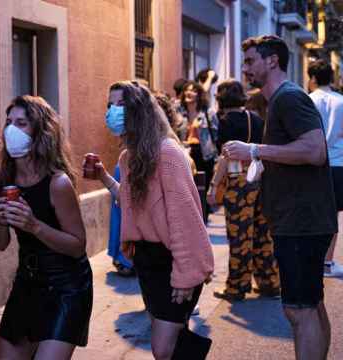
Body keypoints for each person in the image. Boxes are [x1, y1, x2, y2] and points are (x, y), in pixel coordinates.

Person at [225, 35, 337, 360]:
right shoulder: (281, 100)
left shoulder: (288, 98)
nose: (244, 68)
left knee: (298, 311)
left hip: (301, 222)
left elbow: (315, 150)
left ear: (272, 60)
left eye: (249, 61)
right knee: (311, 305)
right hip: (302, 220)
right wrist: (261, 161)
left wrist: (255, 150)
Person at [95, 80, 213, 360]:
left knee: (162, 348)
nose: (113, 110)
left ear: (139, 110)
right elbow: (134, 204)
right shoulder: (129, 157)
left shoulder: (168, 153)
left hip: (174, 261)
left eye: (121, 104)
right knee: (173, 342)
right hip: (148, 262)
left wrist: (185, 276)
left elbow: (185, 220)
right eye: (111, 104)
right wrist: (103, 177)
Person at [0, 95, 93, 359]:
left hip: (66, 285)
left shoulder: (57, 183)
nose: (11, 129)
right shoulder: (2, 181)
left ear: (41, 132)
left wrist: (34, 225)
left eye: (21, 123)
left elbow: (77, 246)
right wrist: (1, 216)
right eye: (8, 122)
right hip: (27, 282)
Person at [207, 79, 280, 301]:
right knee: (261, 233)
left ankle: (237, 287)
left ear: (221, 98)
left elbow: (225, 156)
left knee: (239, 235)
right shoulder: (256, 119)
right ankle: (269, 283)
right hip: (260, 179)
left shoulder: (226, 121)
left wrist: (213, 186)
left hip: (237, 183)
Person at [308, 59, 343, 278]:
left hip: (313, 163)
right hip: (339, 163)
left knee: (314, 213)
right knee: (333, 216)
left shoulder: (308, 100)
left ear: (312, 78)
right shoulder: (341, 101)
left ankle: (312, 259)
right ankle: (327, 263)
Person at [180, 81, 219, 222]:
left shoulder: (208, 112)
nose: (188, 93)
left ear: (199, 95)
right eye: (186, 90)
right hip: (184, 152)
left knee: (203, 185)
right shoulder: (179, 112)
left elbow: (216, 134)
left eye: (193, 91)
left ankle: (203, 216)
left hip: (203, 153)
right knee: (186, 186)